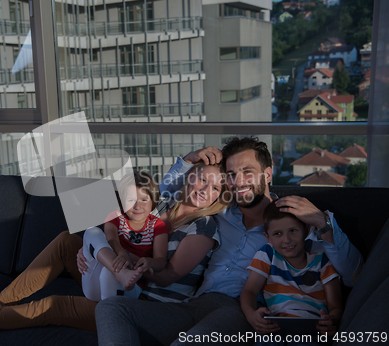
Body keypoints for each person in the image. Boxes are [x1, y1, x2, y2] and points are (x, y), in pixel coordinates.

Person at [95, 136, 363, 346]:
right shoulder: (219, 212)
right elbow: (162, 198)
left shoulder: (291, 224)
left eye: (248, 171)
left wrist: (323, 223)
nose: (239, 182)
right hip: (192, 304)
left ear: (267, 174)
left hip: (239, 312)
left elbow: (353, 275)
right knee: (111, 309)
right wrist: (188, 161)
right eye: (232, 175)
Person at [0, 162, 228, 334]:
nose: (205, 189)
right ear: (189, 177)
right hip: (115, 279)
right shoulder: (160, 206)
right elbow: (114, 230)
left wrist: (120, 260)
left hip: (141, 305)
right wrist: (95, 254)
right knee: (68, 241)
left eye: (215, 187)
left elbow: (169, 275)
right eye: (202, 178)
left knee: (54, 306)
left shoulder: (204, 227)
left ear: (219, 198)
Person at [240, 201, 343, 345]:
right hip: (275, 329)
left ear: (306, 231)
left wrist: (331, 320)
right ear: (268, 237)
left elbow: (336, 307)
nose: (287, 240)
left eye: (293, 231)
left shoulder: (322, 260)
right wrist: (252, 315)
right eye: (278, 234)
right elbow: (249, 291)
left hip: (311, 332)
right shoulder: (267, 254)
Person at [81, 170, 169, 302]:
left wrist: (149, 262)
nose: (137, 206)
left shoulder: (158, 225)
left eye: (144, 200)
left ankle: (109, 309)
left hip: (130, 288)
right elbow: (111, 239)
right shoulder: (115, 216)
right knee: (92, 231)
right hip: (93, 284)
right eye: (131, 200)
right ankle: (121, 274)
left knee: (110, 271)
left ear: (153, 201)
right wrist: (122, 254)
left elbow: (161, 262)